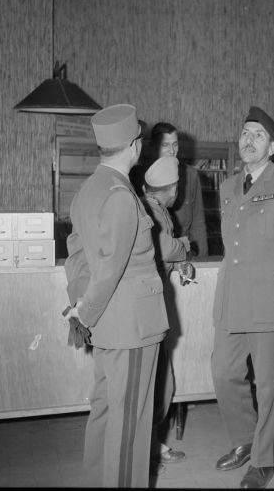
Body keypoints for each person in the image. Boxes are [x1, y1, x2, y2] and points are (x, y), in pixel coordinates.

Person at [64, 104, 168, 488]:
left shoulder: (88, 190)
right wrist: (84, 313)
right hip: (132, 329)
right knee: (130, 427)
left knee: (106, 412)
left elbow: (77, 255)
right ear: (135, 146)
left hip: (107, 325)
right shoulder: (122, 195)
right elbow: (110, 268)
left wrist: (80, 304)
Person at [211, 106, 274, 489]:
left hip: (271, 299)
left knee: (269, 384)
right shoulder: (226, 186)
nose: (248, 139)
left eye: (257, 134)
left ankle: (264, 458)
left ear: (272, 145)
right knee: (223, 372)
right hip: (233, 296)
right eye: (244, 133)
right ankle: (245, 439)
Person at [141, 156, 192, 466]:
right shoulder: (153, 211)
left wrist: (178, 261)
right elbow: (163, 248)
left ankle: (149, 442)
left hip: (150, 302)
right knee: (160, 381)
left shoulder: (150, 205)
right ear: (172, 189)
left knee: (161, 379)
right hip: (150, 304)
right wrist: (184, 246)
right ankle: (147, 445)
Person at [151, 122, 208, 257]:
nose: (172, 151)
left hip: (184, 255)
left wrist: (202, 261)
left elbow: (198, 223)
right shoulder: (141, 176)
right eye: (165, 145)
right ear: (154, 147)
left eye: (175, 144)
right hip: (153, 257)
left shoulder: (191, 175)